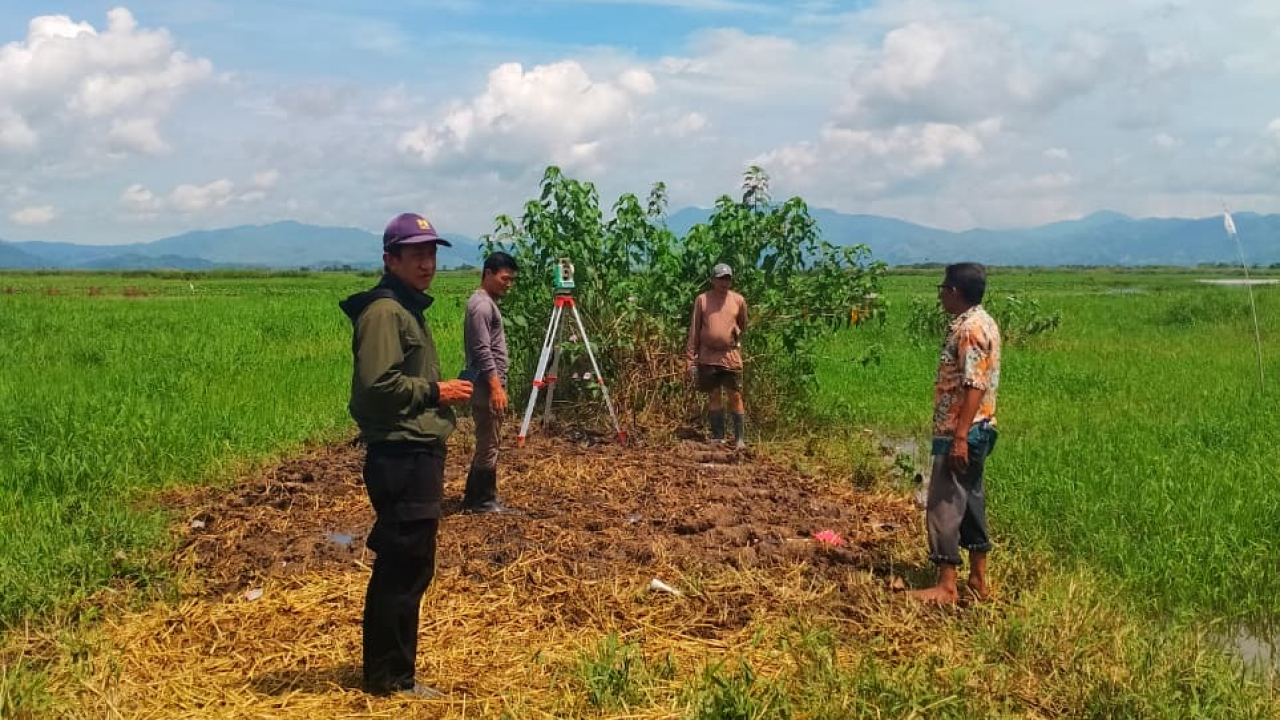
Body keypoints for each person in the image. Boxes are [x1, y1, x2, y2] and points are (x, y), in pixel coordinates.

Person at [338, 212, 474, 697]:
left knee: (407, 562)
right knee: (404, 565)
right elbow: (376, 388)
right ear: (390, 259)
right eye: (416, 253)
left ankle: (391, 671)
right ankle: (390, 678)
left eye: (432, 253)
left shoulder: (405, 309)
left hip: (414, 451)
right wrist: (436, 391)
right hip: (402, 454)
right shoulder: (385, 312)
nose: (427, 262)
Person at [911, 262, 1002, 605]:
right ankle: (978, 580)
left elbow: (973, 384)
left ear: (954, 292)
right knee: (971, 501)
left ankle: (946, 585)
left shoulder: (969, 329)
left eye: (943, 289)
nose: (940, 295)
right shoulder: (985, 321)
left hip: (963, 429)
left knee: (944, 504)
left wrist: (960, 436)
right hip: (980, 427)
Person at [461, 251, 518, 513]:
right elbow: (483, 350)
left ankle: (476, 496)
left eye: (511, 280)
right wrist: (496, 387)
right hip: (486, 385)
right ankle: (482, 500)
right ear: (488, 274)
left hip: (488, 383)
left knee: (488, 439)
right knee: (489, 441)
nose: (508, 285)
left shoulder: (483, 303)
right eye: (504, 279)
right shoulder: (482, 305)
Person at [686, 263, 749, 449]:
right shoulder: (702, 300)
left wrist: (734, 334)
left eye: (727, 278)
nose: (724, 282)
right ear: (713, 280)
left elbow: (743, 324)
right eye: (721, 279)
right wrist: (690, 359)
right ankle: (718, 436)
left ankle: (739, 439)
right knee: (713, 395)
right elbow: (694, 330)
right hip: (707, 356)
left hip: (729, 356)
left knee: (734, 395)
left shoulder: (738, 300)